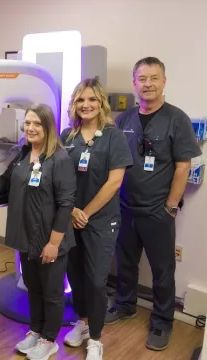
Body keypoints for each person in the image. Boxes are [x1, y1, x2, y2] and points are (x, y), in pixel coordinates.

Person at [105, 57, 202, 351]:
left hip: (158, 211)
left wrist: (171, 206)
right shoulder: (124, 119)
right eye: (142, 79)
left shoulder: (177, 119)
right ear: (134, 83)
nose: (147, 84)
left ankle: (162, 322)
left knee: (162, 271)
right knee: (125, 263)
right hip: (124, 208)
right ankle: (125, 305)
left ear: (163, 82)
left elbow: (183, 166)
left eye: (153, 78)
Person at [0, 104, 77, 360]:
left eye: (37, 123)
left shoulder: (60, 159)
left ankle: (49, 340)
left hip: (50, 237)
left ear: (48, 127)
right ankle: (35, 331)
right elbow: (6, 179)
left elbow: (66, 203)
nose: (31, 128)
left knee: (53, 293)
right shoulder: (24, 153)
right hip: (25, 234)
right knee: (33, 287)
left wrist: (54, 243)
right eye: (28, 123)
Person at [60, 79, 133, 360]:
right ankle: (82, 321)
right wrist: (70, 211)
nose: (86, 105)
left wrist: (85, 212)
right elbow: (59, 177)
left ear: (101, 103)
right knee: (75, 275)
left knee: (95, 280)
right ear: (74, 105)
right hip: (69, 218)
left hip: (100, 221)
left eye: (91, 99)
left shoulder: (113, 136)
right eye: (80, 100)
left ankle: (96, 338)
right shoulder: (67, 136)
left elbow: (115, 182)